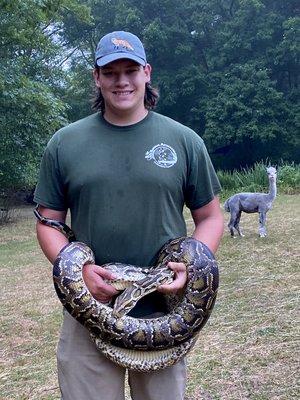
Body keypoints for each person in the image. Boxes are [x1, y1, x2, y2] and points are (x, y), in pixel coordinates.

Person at [34, 30, 224, 400]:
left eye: (130, 70)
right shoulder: (65, 143)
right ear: (97, 77)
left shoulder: (184, 140)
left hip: (163, 311)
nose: (121, 80)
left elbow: (210, 216)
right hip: (88, 308)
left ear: (147, 72)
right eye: (110, 72)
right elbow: (48, 223)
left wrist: (192, 266)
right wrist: (79, 273)